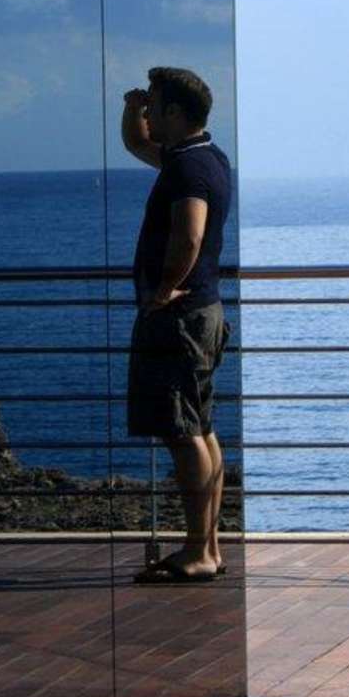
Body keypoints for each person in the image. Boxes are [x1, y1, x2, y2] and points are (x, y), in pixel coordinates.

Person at [122, 66, 233, 583]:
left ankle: (197, 551)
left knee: (184, 434)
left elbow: (190, 235)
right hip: (201, 311)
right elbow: (136, 144)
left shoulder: (189, 169)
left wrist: (165, 289)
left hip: (181, 318)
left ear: (175, 111)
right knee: (200, 430)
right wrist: (132, 108)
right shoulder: (202, 156)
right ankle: (208, 546)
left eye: (154, 104)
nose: (149, 112)